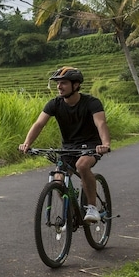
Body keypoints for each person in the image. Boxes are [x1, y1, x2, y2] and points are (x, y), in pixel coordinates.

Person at [19, 66, 111, 223]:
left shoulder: (91, 103)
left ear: (75, 85)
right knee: (58, 180)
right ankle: (73, 213)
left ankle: (92, 207)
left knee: (82, 166)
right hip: (68, 148)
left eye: (63, 83)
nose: (59, 87)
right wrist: (27, 143)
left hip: (90, 146)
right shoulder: (54, 104)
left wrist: (105, 143)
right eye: (57, 83)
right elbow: (39, 124)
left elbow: (100, 123)